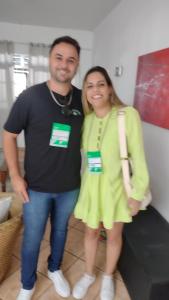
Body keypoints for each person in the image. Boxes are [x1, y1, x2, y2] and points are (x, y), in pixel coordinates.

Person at [3, 36, 83, 300]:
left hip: (70, 186)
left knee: (60, 231)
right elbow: (9, 134)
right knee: (32, 237)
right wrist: (15, 175)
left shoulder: (83, 101)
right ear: (50, 60)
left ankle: (54, 268)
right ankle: (27, 284)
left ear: (77, 64)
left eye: (71, 59)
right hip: (35, 187)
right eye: (59, 57)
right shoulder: (30, 97)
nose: (64, 64)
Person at [72, 66, 149, 300]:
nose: (95, 90)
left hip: (116, 190)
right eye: (89, 85)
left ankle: (107, 276)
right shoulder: (87, 120)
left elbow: (139, 156)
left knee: (114, 236)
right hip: (91, 189)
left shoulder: (127, 115)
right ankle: (88, 274)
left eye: (100, 84)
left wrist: (137, 193)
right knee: (91, 233)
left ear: (109, 88)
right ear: (85, 91)